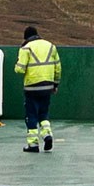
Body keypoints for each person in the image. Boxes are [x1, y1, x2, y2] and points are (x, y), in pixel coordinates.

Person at [15, 25, 61, 153]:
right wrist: (55, 85)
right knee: (43, 113)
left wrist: (17, 64)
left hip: (32, 87)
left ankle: (33, 145)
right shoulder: (51, 46)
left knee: (31, 115)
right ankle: (47, 135)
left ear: (26, 37)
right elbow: (58, 68)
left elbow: (20, 69)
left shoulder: (26, 48)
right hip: (47, 87)